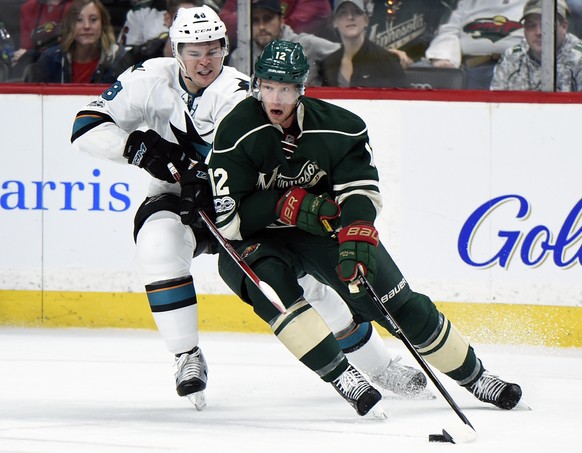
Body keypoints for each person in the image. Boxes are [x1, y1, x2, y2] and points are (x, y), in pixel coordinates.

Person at [70, 6, 429, 411]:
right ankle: (187, 357)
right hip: (176, 198)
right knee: (157, 245)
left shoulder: (241, 94)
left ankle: (379, 366)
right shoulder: (147, 78)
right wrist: (137, 148)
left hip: (243, 205)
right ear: (176, 50)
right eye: (193, 51)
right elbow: (85, 127)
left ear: (225, 48)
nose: (204, 60)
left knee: (309, 286)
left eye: (213, 49)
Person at [208, 39, 523, 415]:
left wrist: (356, 230)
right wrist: (283, 205)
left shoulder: (341, 128)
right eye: (269, 87)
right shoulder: (235, 131)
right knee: (275, 290)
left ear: (302, 88)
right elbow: (229, 221)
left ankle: (476, 376)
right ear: (257, 85)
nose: (276, 98)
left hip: (319, 232)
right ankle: (344, 375)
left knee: (393, 299)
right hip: (255, 242)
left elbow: (358, 190)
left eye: (287, 88)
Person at [227, 0, 339, 86]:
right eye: (255, 20)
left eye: (268, 19)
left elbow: (342, 52)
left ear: (281, 21)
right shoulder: (240, 56)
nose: (262, 26)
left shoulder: (306, 44)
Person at [424, 0, 526, 89]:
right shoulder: (465, 3)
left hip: (518, 69)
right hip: (471, 71)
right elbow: (448, 30)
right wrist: (443, 57)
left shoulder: (535, 3)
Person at [25, 0, 133, 83]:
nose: (86, 26)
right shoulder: (51, 59)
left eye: (93, 19)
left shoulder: (118, 59)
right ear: (70, 25)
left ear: (102, 24)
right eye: (79, 20)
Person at [491, 0, 582, 91]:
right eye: (531, 26)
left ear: (564, 26)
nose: (539, 32)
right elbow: (495, 103)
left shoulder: (579, 59)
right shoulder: (513, 57)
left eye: (547, 25)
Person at [319, 0, 406, 87]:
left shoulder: (387, 62)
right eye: (343, 13)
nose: (350, 17)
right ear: (335, 22)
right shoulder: (328, 64)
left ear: (366, 20)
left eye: (356, 12)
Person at [363, 0, 458, 68]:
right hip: (372, 72)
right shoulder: (363, 6)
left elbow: (446, 32)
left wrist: (440, 56)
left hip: (417, 74)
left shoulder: (434, 4)